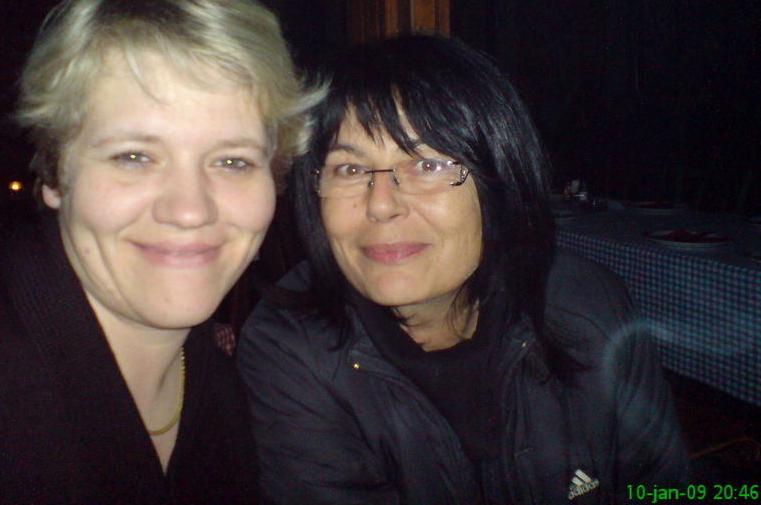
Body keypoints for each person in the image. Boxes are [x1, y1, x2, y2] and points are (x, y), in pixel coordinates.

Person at [237, 34, 692, 504]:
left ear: (501, 181)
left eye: (427, 165)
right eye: (350, 170)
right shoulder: (289, 351)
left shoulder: (587, 305)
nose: (381, 205)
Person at [0, 0, 321, 504]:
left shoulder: (228, 383)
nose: (190, 210)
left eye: (232, 160)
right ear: (55, 174)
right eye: (134, 157)